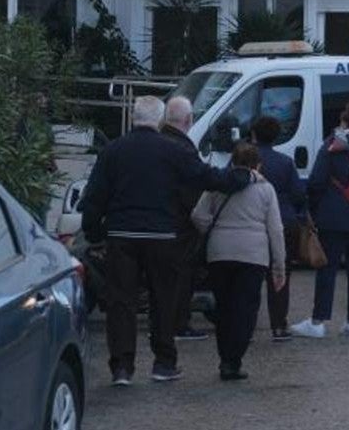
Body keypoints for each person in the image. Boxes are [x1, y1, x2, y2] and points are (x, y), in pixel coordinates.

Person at [81, 96, 251, 386]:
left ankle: (121, 367)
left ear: (134, 117)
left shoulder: (113, 151)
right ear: (159, 120)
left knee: (121, 302)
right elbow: (206, 177)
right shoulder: (171, 150)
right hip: (162, 236)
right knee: (164, 299)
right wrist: (240, 178)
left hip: (122, 235)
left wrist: (95, 232)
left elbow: (94, 197)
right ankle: (163, 362)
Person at [191, 143, 286, 381]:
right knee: (245, 308)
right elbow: (275, 229)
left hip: (220, 252)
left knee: (223, 307)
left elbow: (198, 215)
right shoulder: (266, 189)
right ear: (258, 165)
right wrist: (279, 265)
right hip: (253, 255)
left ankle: (225, 358)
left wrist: (212, 231)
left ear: (232, 163)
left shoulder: (218, 186)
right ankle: (234, 360)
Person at [290, 100, 349, 339]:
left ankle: (318, 322)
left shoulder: (334, 144)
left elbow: (317, 181)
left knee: (327, 269)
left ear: (345, 120)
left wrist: (314, 209)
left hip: (335, 217)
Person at [252, 115, 307, 342]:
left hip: (253, 224)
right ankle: (278, 325)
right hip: (284, 223)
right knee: (279, 275)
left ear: (254, 135)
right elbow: (297, 194)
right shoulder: (285, 162)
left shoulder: (245, 160)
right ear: (276, 137)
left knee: (251, 278)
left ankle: (248, 325)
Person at [159, 97, 208, 342]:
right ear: (188, 120)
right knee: (181, 276)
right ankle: (178, 323)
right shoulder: (184, 148)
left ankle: (166, 322)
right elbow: (194, 188)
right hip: (179, 223)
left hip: (160, 219)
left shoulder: (161, 142)